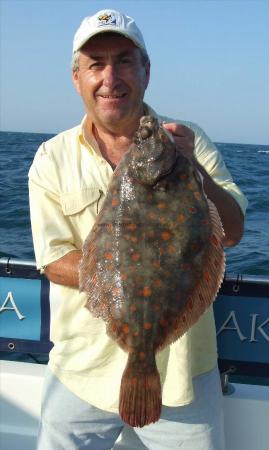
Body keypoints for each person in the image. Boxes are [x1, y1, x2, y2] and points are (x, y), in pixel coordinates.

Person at [28, 9, 248, 450]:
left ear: (146, 70)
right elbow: (52, 260)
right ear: (77, 78)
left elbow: (233, 232)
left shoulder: (189, 142)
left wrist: (195, 170)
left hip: (182, 374)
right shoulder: (51, 158)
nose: (111, 76)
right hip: (81, 372)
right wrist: (123, 279)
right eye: (96, 64)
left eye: (125, 61)